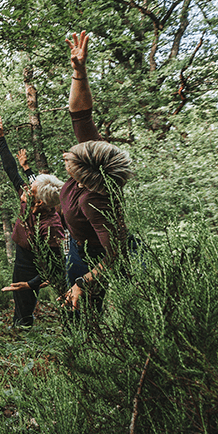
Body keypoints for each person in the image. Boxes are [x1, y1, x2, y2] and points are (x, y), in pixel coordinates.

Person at [60, 31, 134, 313]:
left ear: (82, 176)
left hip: (97, 255)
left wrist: (84, 281)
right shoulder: (95, 155)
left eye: (71, 159)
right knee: (72, 311)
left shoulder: (95, 201)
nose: (67, 154)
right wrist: (80, 72)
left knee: (85, 311)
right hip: (77, 248)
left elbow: (117, 254)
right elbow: (80, 113)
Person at [0, 117, 66, 327]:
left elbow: (57, 269)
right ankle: (19, 326)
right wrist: (0, 139)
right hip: (22, 252)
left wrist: (31, 284)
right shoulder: (30, 198)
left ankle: (27, 333)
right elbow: (12, 171)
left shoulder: (52, 227)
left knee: (25, 293)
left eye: (30, 192)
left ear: (41, 202)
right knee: (19, 299)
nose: (24, 192)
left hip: (36, 259)